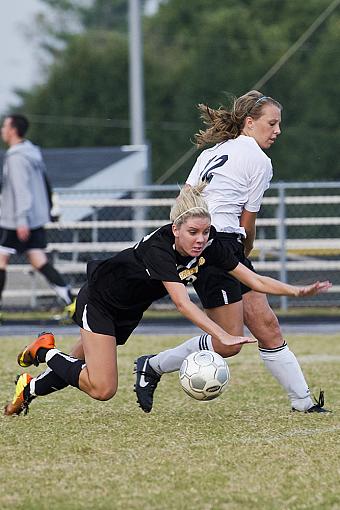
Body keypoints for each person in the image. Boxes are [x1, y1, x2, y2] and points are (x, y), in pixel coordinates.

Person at [4, 185, 330, 417]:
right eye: (193, 232)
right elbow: (184, 304)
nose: (201, 238)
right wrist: (223, 335)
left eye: (205, 231)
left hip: (128, 311)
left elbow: (253, 279)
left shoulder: (209, 243)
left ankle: (28, 390)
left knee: (79, 368)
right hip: (100, 302)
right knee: (102, 388)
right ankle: (45, 348)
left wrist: (296, 291)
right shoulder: (158, 250)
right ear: (176, 229)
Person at [134, 90, 331, 414]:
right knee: (228, 343)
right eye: (272, 122)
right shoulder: (258, 160)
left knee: (266, 325)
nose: (277, 130)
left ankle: (303, 403)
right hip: (217, 246)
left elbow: (184, 200)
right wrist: (242, 249)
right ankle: (153, 365)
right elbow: (247, 221)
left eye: (279, 123)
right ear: (250, 123)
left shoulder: (213, 152)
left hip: (211, 241)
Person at [0, 114, 74, 316]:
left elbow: (21, 190)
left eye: (4, 126)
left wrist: (21, 220)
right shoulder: (31, 153)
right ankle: (71, 301)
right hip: (32, 219)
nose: (2, 130)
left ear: (13, 130)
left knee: (1, 260)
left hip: (16, 220)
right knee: (38, 260)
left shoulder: (16, 157)